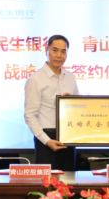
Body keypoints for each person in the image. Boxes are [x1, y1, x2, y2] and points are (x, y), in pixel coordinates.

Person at [24, 35, 79, 170]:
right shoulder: (36, 80)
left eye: (63, 51)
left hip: (69, 136)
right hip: (47, 139)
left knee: (69, 179)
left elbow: (80, 107)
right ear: (46, 50)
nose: (59, 55)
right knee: (48, 181)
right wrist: (46, 141)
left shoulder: (70, 77)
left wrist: (72, 102)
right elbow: (30, 115)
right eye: (55, 50)